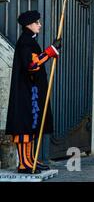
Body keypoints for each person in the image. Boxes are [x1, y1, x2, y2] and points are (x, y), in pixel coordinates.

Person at [5, 10, 61, 174]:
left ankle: (30, 160)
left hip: (32, 92)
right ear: (29, 24)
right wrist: (50, 51)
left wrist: (51, 50)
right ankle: (24, 164)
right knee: (24, 128)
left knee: (31, 127)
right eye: (37, 22)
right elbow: (32, 65)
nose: (40, 25)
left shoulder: (29, 41)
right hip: (26, 93)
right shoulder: (25, 42)